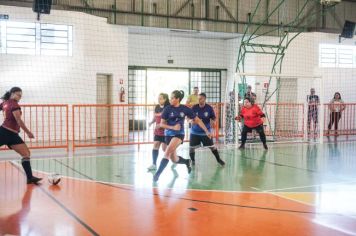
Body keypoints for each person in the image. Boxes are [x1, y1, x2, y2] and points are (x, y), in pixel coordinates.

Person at [153, 90, 211, 182]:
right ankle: (187, 161)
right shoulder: (167, 109)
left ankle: (157, 175)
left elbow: (198, 120)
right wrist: (172, 127)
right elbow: (162, 124)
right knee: (174, 159)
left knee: (167, 152)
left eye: (172, 98)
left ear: (177, 99)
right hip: (168, 135)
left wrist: (207, 131)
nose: (170, 99)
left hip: (179, 134)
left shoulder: (185, 109)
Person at [0, 87, 42, 184]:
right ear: (12, 93)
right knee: (26, 154)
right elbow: (19, 121)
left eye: (21, 96)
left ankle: (30, 178)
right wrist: (28, 132)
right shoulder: (14, 104)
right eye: (18, 95)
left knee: (26, 154)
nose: (20, 97)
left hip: (13, 136)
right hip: (4, 133)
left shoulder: (5, 103)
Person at [189, 93, 225, 166]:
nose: (199, 100)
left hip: (206, 132)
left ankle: (218, 160)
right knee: (191, 148)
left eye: (200, 99)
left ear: (205, 99)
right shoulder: (194, 107)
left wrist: (214, 122)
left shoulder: (209, 108)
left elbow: (214, 118)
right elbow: (189, 118)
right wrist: (191, 121)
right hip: (194, 132)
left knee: (212, 147)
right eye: (198, 99)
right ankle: (193, 161)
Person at [147, 93, 170, 171]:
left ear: (165, 99)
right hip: (157, 131)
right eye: (158, 98)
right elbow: (155, 117)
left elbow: (169, 120)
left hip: (166, 131)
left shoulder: (168, 108)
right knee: (155, 145)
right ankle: (154, 164)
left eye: (160, 98)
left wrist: (161, 125)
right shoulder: (157, 107)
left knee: (164, 149)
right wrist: (151, 122)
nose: (159, 99)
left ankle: (174, 157)